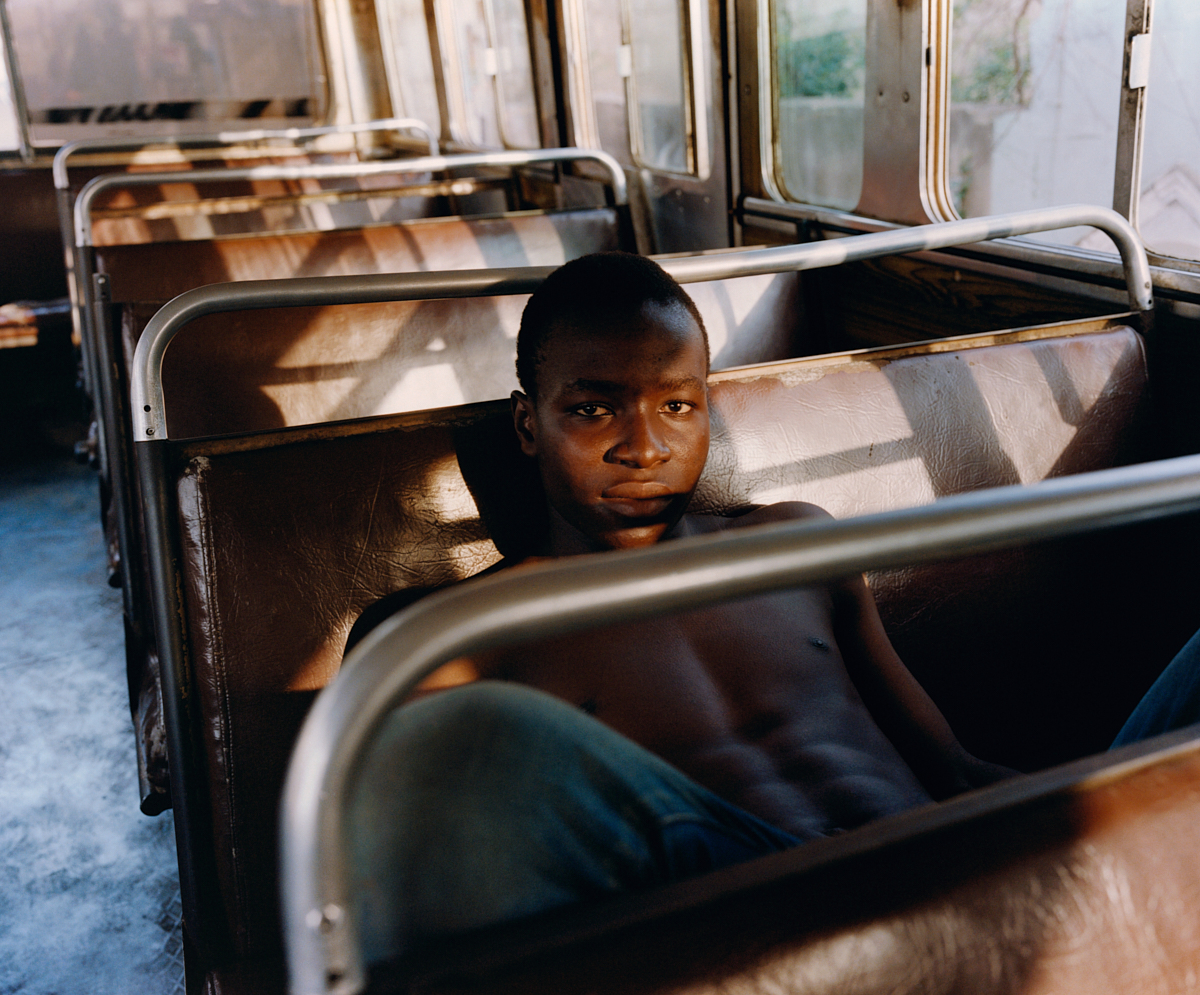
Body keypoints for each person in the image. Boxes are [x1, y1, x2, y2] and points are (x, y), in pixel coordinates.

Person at [344, 251, 1198, 965]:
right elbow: (403, 855)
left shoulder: (797, 544)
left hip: (960, 866)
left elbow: (954, 767)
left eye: (677, 406)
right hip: (766, 937)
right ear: (529, 425)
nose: (644, 446)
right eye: (594, 408)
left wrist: (1092, 832)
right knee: (445, 745)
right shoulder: (454, 634)